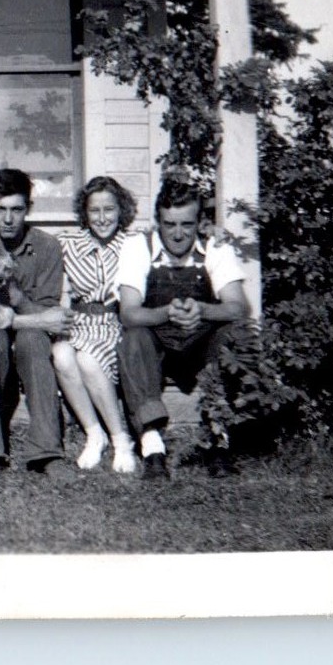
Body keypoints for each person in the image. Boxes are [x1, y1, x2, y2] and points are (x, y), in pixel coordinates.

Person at [116, 174, 255, 477]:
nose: (178, 234)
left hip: (200, 345)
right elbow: (128, 312)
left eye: (186, 225)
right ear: (157, 222)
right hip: (158, 349)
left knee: (233, 335)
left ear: (199, 222)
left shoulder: (215, 247)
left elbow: (239, 306)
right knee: (133, 338)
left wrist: (204, 310)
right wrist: (167, 313)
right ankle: (152, 445)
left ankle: (219, 440)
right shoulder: (138, 248)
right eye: (170, 225)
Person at [0, 169, 75, 479]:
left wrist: (16, 298)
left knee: (34, 341)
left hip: (28, 333)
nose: (8, 219)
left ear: (28, 209)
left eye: (16, 209)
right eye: (0, 209)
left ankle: (47, 451)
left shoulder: (46, 246)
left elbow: (50, 320)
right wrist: (28, 319)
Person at [54, 176, 141, 474]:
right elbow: (28, 250)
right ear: (85, 212)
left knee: (88, 359)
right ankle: (95, 434)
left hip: (112, 323)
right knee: (62, 355)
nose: (102, 218)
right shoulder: (67, 243)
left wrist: (212, 230)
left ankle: (121, 440)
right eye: (95, 211)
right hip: (77, 322)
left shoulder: (134, 243)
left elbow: (169, 247)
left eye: (109, 210)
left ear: (121, 210)